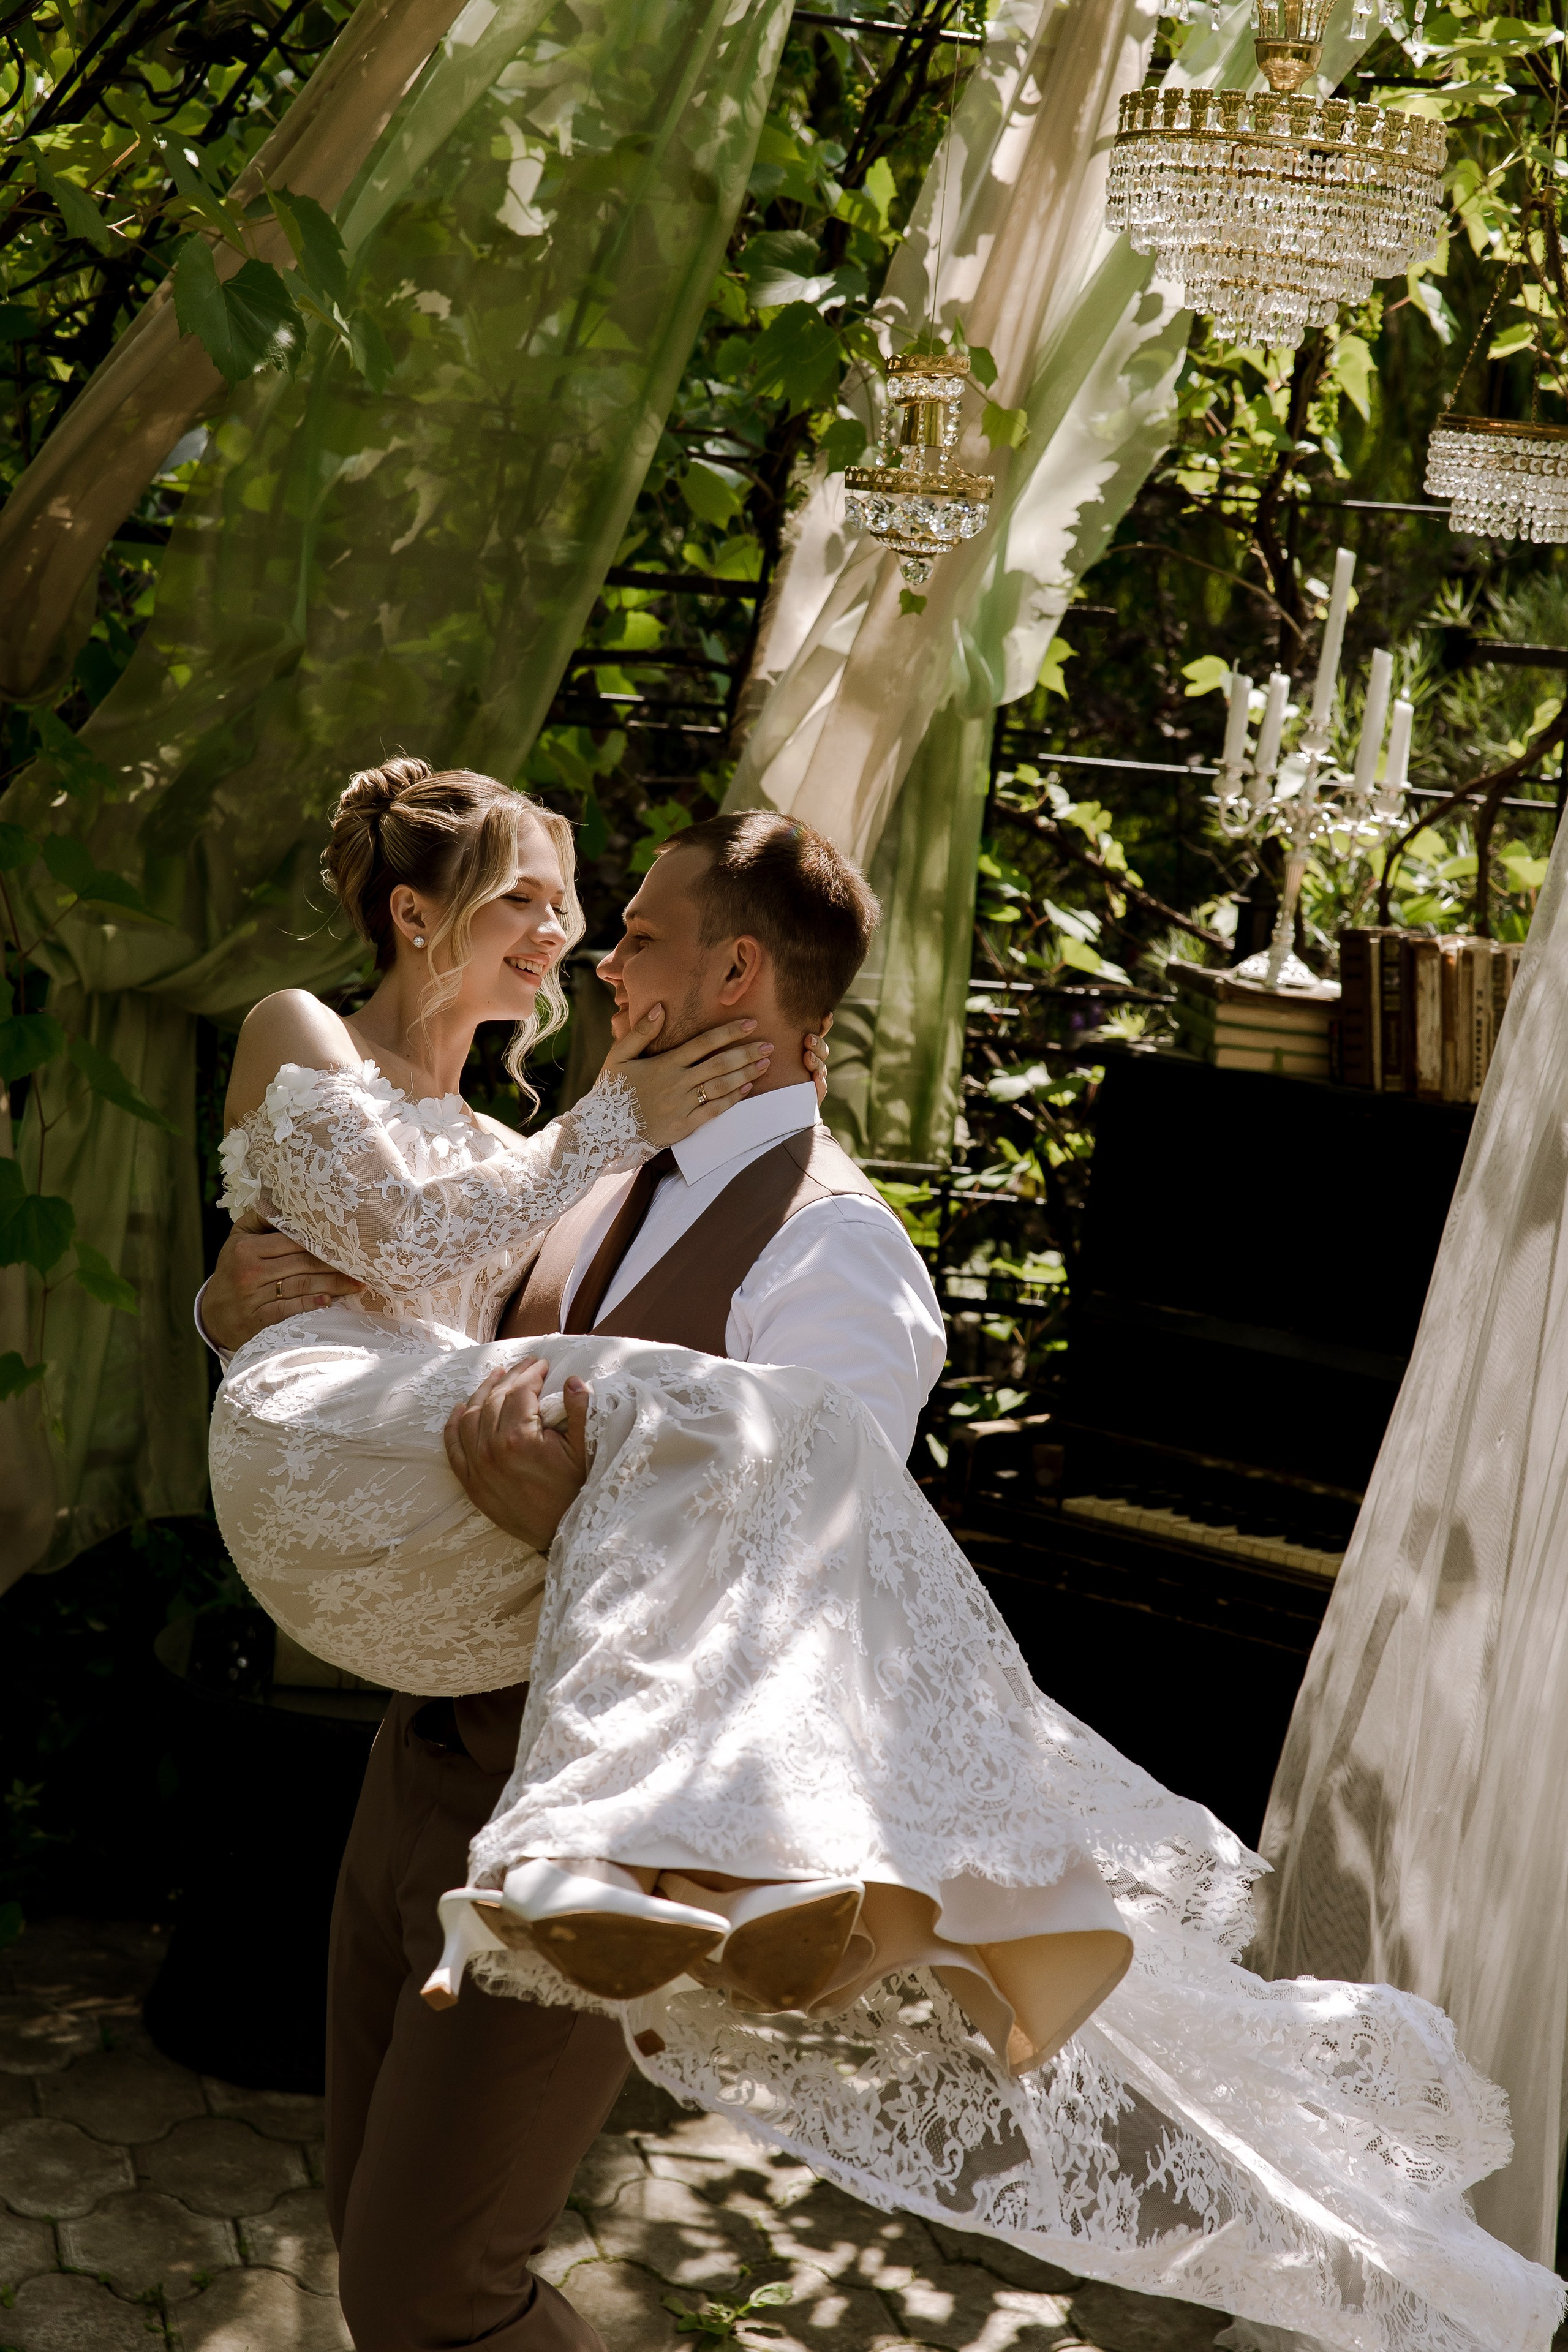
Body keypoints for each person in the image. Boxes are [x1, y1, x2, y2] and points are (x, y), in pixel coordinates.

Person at [203, 762, 1564, 2352]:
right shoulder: (578, 1170)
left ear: (734, 978)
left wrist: (566, 1520)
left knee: (437, 2293)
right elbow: (396, 1345)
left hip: (584, 1831)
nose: (599, 964)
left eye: (635, 935)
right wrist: (244, 1313)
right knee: (373, 2249)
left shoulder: (831, 1249)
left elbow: (808, 1571)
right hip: (415, 1765)